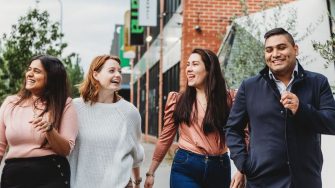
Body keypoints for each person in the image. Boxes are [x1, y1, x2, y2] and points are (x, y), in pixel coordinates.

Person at [225, 27, 335, 188]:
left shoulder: (318, 83)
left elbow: (332, 123)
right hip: (262, 181)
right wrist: (244, 164)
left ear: (295, 49)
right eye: (269, 50)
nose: (275, 54)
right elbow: (232, 129)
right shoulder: (249, 87)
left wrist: (301, 109)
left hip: (306, 180)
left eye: (281, 47)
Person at [144, 48, 245, 188]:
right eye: (188, 64)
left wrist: (242, 170)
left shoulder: (229, 100)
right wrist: (151, 172)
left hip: (220, 167)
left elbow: (243, 135)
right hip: (186, 166)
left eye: (195, 64)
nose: (189, 69)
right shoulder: (178, 101)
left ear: (210, 69)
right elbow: (165, 137)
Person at [0, 55, 78, 188]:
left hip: (50, 174)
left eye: (37, 71)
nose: (29, 74)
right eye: (29, 69)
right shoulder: (10, 103)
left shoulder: (64, 104)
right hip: (13, 176)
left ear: (51, 77)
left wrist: (50, 130)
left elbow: (66, 149)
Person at [68, 55, 144, 188]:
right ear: (96, 74)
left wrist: (138, 181)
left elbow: (136, 152)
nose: (118, 75)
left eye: (119, 71)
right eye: (112, 70)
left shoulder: (129, 112)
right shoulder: (74, 107)